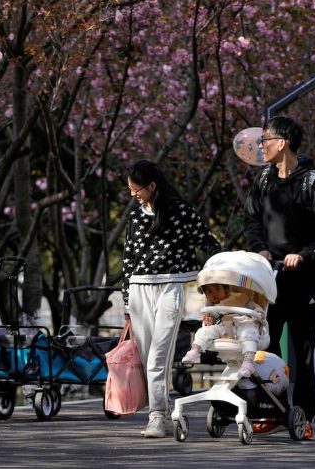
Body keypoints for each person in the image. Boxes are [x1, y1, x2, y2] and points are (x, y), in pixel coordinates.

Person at [243, 116, 315, 440]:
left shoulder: (313, 184)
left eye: (265, 140)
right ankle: (271, 411)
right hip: (269, 282)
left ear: (282, 142)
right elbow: (252, 221)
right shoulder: (262, 181)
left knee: (305, 354)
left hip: (305, 281)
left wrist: (304, 254)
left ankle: (304, 415)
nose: (261, 146)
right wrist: (259, 250)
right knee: (264, 349)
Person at [122, 159, 222, 438]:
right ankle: (162, 415)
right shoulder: (135, 216)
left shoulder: (181, 211)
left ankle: (155, 416)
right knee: (146, 358)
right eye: (130, 190)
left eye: (136, 189)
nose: (134, 195)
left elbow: (208, 242)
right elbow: (127, 259)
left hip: (171, 288)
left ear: (152, 186)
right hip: (139, 288)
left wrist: (224, 268)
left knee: (158, 356)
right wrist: (126, 302)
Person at [181, 283, 267, 378]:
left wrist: (259, 312)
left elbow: (253, 306)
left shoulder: (239, 298)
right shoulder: (212, 308)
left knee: (249, 331)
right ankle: (195, 351)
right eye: (209, 291)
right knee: (204, 331)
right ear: (206, 295)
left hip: (242, 324)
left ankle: (248, 362)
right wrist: (209, 321)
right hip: (222, 330)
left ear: (225, 289)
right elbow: (212, 323)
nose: (215, 293)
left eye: (217, 289)